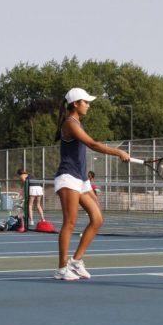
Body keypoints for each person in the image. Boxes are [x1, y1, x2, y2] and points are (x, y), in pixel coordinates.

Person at [54, 88, 131, 280]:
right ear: (75, 104)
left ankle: (76, 261)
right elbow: (93, 145)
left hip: (81, 179)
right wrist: (118, 152)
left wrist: (87, 181)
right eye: (85, 102)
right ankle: (62, 268)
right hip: (68, 177)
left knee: (97, 219)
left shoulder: (77, 123)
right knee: (70, 222)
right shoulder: (70, 124)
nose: (88, 105)